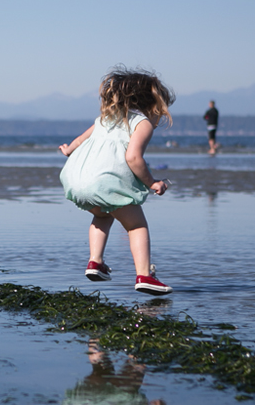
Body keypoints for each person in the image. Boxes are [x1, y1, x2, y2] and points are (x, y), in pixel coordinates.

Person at [59, 66, 174, 294]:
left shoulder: (104, 118)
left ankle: (95, 262)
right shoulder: (142, 123)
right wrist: (152, 183)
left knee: (102, 215)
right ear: (151, 104)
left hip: (81, 180)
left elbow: (79, 140)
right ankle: (144, 276)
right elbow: (133, 157)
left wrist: (67, 149)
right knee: (136, 225)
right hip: (108, 182)